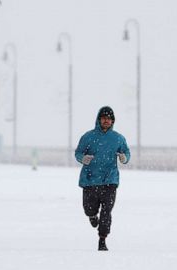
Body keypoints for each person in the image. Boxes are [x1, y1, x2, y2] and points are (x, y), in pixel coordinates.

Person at [75, 105, 131, 251]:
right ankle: (92, 216)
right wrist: (83, 158)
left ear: (113, 121)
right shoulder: (88, 137)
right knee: (89, 209)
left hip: (109, 181)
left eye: (109, 119)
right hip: (90, 180)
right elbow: (78, 153)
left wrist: (124, 158)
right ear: (99, 119)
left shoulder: (118, 138)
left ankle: (102, 239)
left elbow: (126, 153)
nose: (106, 121)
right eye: (104, 118)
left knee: (107, 211)